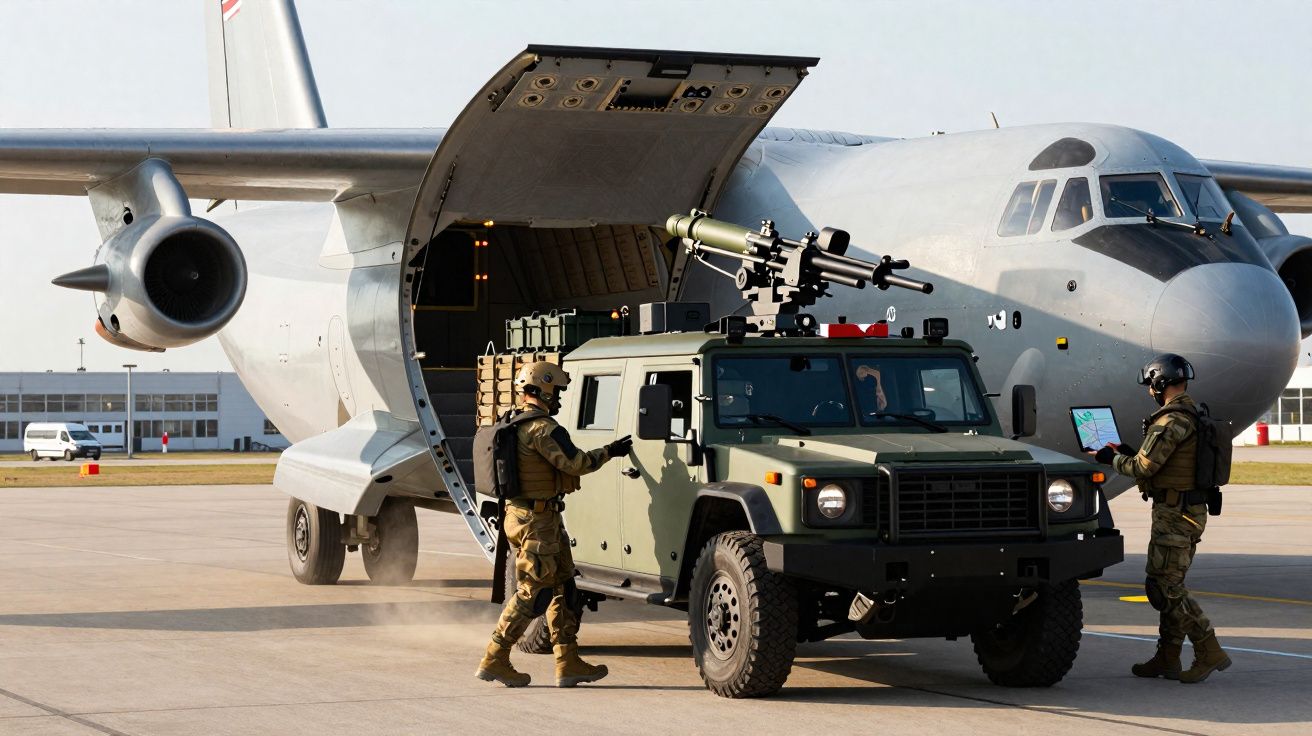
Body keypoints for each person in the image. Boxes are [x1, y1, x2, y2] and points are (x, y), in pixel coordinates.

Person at [475, 360, 632, 688]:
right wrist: (611, 451)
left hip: (528, 516)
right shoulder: (543, 429)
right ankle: (495, 656)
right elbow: (576, 463)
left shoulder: (516, 421)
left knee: (561, 585)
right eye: (556, 390)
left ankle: (567, 660)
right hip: (537, 521)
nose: (558, 397)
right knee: (534, 591)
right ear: (542, 387)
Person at [1090, 353, 1230, 684]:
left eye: (1150, 386)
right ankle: (1168, 657)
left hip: (1177, 514)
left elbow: (1143, 468)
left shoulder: (1171, 421)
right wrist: (1127, 451)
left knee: (1163, 586)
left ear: (1159, 384)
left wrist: (1111, 458)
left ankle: (1208, 649)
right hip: (1183, 511)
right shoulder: (1187, 415)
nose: (1148, 391)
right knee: (1168, 584)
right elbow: (1157, 461)